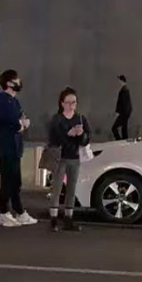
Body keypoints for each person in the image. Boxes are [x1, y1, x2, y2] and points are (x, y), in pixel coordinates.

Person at [0, 68, 36, 227]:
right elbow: (8, 121)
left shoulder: (13, 101)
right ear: (9, 83)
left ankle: (19, 211)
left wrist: (21, 123)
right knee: (8, 180)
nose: (19, 83)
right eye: (16, 80)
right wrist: (21, 124)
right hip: (7, 146)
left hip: (14, 146)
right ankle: (4, 212)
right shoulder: (2, 100)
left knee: (15, 181)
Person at [47, 86, 91, 232]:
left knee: (71, 188)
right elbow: (54, 138)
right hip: (60, 157)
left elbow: (87, 138)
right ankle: (53, 219)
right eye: (68, 102)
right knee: (57, 188)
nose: (71, 105)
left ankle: (68, 219)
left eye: (74, 102)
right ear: (62, 103)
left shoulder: (80, 118)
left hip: (74, 157)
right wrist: (68, 134)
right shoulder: (57, 119)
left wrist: (81, 134)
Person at [113, 74, 133, 140]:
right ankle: (123, 140)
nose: (118, 82)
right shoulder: (125, 90)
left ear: (122, 81)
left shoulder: (124, 91)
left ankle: (119, 140)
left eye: (119, 81)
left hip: (124, 113)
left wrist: (119, 112)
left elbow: (123, 103)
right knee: (124, 128)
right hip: (125, 113)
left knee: (115, 128)